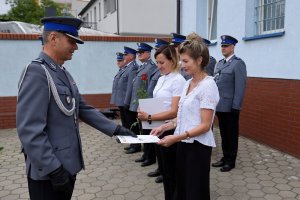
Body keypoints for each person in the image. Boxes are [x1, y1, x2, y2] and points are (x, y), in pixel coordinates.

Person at [16, 16, 136, 200]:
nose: (76, 47)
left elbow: (81, 108)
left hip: (67, 165)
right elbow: (29, 130)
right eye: (71, 41)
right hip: (49, 171)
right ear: (53, 38)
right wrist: (53, 169)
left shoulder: (62, 72)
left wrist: (116, 129)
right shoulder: (37, 72)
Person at [151, 33, 219, 200]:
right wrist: (164, 126)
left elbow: (205, 125)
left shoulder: (208, 86)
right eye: (181, 60)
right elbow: (182, 116)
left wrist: (176, 137)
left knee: (195, 191)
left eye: (186, 61)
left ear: (199, 60)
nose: (181, 65)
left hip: (197, 147)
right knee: (182, 188)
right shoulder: (188, 83)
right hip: (184, 144)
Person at [138, 44, 186, 200]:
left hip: (170, 128)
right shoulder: (161, 78)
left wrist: (149, 116)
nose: (158, 66)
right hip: (158, 127)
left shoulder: (178, 80)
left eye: (162, 62)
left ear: (172, 60)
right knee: (164, 170)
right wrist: (144, 108)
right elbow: (158, 101)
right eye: (157, 62)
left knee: (171, 170)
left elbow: (173, 111)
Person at [211, 35, 247, 172]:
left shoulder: (238, 64)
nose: (223, 48)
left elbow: (240, 86)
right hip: (220, 106)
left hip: (230, 107)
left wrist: (236, 106)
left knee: (231, 134)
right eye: (222, 46)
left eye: (226, 46)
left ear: (233, 47)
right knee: (224, 134)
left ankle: (231, 161)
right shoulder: (219, 63)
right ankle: (225, 158)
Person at [123, 42, 157, 154]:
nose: (139, 55)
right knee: (139, 128)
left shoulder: (151, 67)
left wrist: (145, 104)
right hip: (137, 103)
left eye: (142, 52)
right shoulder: (143, 67)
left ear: (148, 53)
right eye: (138, 53)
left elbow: (149, 88)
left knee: (145, 130)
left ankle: (147, 153)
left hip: (144, 104)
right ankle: (139, 148)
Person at [121, 46, 139, 151]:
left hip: (128, 101)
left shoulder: (133, 67)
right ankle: (132, 143)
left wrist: (126, 101)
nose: (124, 56)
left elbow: (130, 87)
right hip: (126, 100)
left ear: (132, 56)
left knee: (132, 123)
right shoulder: (128, 67)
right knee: (127, 123)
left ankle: (135, 145)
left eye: (126, 54)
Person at [110, 52, 127, 126]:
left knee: (127, 119)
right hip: (120, 99)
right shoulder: (121, 70)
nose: (118, 62)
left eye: (120, 61)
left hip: (125, 100)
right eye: (117, 61)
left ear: (124, 61)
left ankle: (127, 134)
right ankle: (125, 134)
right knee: (123, 118)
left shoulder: (126, 70)